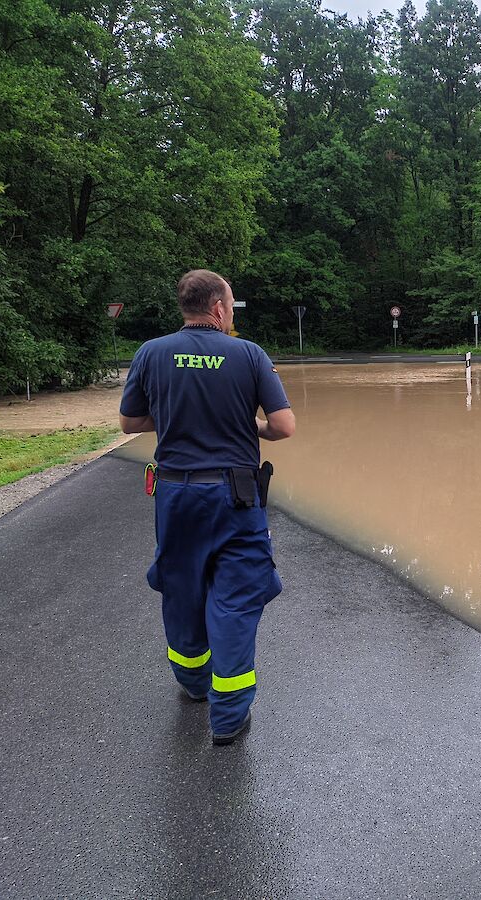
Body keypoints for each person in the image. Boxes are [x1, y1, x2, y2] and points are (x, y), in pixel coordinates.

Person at [119, 269, 295, 746]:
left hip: (176, 495)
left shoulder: (151, 352)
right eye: (232, 305)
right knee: (236, 598)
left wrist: (177, 416)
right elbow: (283, 426)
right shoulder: (248, 355)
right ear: (218, 307)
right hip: (236, 496)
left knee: (182, 586)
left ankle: (194, 684)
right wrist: (249, 425)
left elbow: (129, 421)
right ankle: (229, 716)